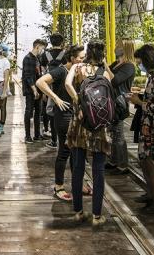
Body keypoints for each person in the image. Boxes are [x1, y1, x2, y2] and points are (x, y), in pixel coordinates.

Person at [65, 40, 114, 226]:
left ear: (87, 53)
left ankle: (78, 212)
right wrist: (104, 64)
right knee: (98, 169)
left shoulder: (77, 68)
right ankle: (97, 216)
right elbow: (113, 82)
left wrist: (78, 100)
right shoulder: (104, 73)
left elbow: (67, 84)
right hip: (98, 124)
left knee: (78, 167)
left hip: (80, 123)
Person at [37, 44, 85, 202]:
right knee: (65, 151)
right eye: (81, 58)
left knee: (77, 151)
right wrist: (56, 98)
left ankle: (78, 183)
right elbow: (40, 82)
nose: (83, 60)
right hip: (64, 116)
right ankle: (58, 186)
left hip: (77, 115)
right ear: (72, 58)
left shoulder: (79, 71)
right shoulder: (61, 71)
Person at [129, 44, 154, 214]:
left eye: (140, 62)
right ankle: (151, 194)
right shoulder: (152, 76)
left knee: (152, 164)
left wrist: (139, 102)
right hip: (148, 125)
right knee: (144, 161)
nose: (139, 65)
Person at [107, 40, 136, 174]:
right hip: (112, 100)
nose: (116, 48)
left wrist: (106, 67)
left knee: (118, 133)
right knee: (114, 132)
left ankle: (123, 165)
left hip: (120, 102)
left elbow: (115, 81)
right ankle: (114, 160)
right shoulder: (116, 63)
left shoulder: (129, 66)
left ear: (126, 49)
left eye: (119, 46)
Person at [41, 33, 65, 147]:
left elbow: (43, 69)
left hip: (49, 85)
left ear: (51, 42)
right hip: (63, 85)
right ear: (62, 42)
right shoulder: (65, 54)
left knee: (51, 111)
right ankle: (63, 139)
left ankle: (54, 140)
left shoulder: (45, 55)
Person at [22, 38, 47, 143]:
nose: (42, 51)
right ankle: (27, 136)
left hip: (38, 89)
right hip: (30, 90)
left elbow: (39, 74)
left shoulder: (37, 58)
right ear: (37, 47)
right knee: (29, 111)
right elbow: (28, 76)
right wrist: (34, 90)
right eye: (42, 48)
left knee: (38, 112)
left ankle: (37, 135)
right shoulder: (28, 58)